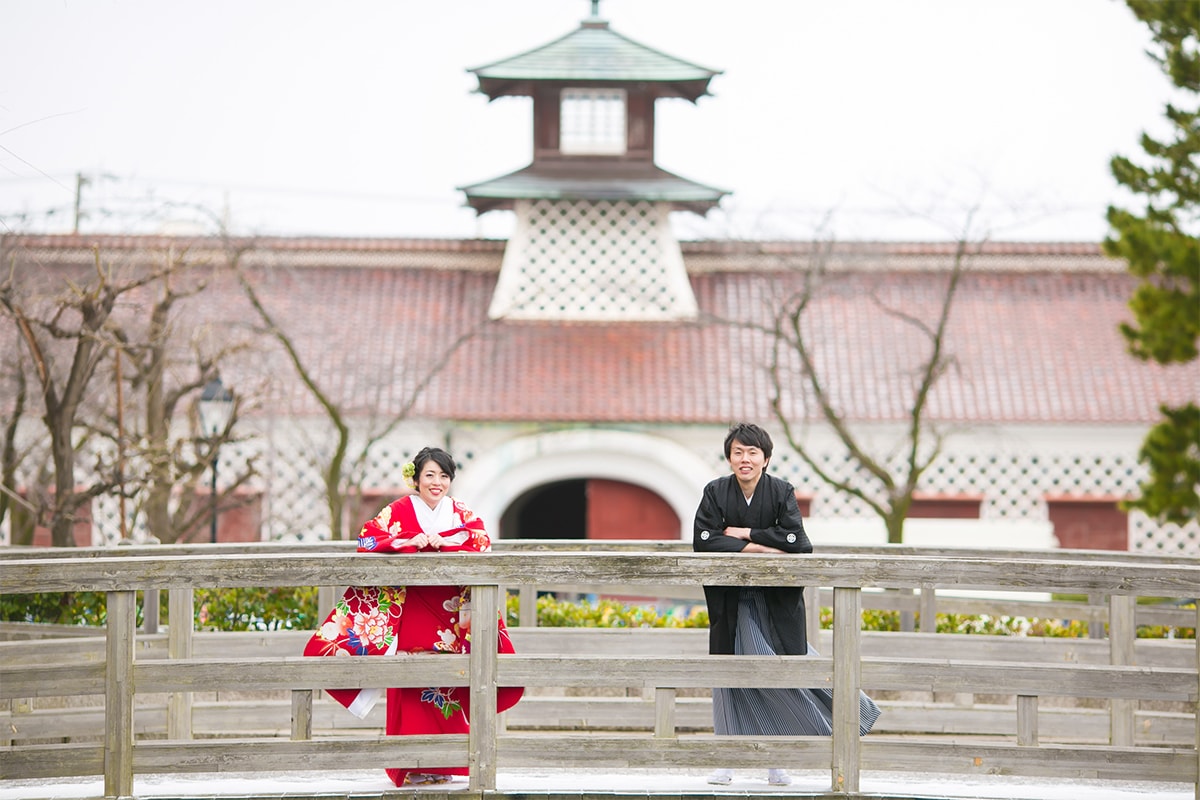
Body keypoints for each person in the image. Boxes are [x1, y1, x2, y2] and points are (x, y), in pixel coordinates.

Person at [303, 446, 523, 787]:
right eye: (430, 475)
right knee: (409, 684)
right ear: (416, 478)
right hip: (410, 608)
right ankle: (408, 764)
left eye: (444, 476)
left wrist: (445, 542)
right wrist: (410, 541)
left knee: (445, 687)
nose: (437, 483)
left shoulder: (459, 512)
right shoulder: (400, 509)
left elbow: (481, 540)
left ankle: (442, 764)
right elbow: (368, 539)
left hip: (448, 614)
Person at [692, 422, 881, 787]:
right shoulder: (715, 492)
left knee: (776, 673)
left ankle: (776, 760)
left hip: (774, 602)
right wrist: (766, 546)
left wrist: (746, 534)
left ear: (766, 458)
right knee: (728, 677)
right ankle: (727, 759)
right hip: (731, 603)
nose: (744, 459)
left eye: (752, 453)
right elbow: (704, 540)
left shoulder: (781, 492)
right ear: (729, 458)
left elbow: (798, 541)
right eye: (738, 453)